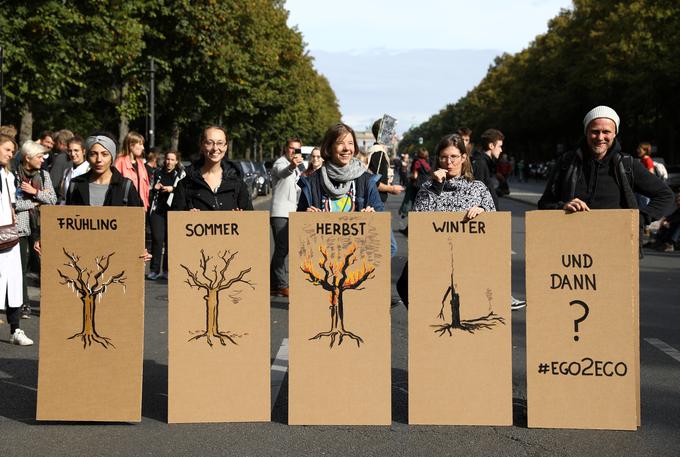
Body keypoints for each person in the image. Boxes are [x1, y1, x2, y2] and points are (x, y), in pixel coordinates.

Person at [538, 105, 674, 239]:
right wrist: (563, 206)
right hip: (573, 244)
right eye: (595, 131)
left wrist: (638, 220)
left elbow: (665, 195)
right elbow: (544, 203)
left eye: (606, 132)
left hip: (615, 246)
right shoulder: (566, 162)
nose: (600, 137)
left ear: (615, 134)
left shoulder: (627, 164)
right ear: (586, 132)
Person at [396, 133, 495, 306]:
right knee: (406, 285)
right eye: (444, 157)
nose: (449, 163)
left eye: (454, 157)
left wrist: (482, 211)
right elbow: (419, 222)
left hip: (468, 260)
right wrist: (436, 187)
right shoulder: (428, 187)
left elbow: (494, 227)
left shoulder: (478, 188)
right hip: (433, 259)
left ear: (464, 158)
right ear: (438, 159)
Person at [298, 122, 383, 213]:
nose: (346, 148)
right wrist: (305, 215)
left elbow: (381, 219)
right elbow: (298, 222)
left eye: (350, 143)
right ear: (329, 147)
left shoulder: (367, 181)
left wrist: (374, 215)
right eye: (340, 143)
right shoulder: (312, 182)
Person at [15, 140, 57, 318]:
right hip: (21, 227)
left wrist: (34, 192)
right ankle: (24, 303)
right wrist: (33, 202)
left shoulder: (44, 175)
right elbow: (12, 204)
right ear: (28, 158)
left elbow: (52, 199)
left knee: (44, 265)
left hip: (41, 225)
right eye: (39, 156)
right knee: (21, 267)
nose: (42, 160)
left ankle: (49, 302)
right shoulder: (13, 176)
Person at [0, 134, 33, 345]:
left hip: (8, 235)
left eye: (12, 151)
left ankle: (16, 329)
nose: (10, 154)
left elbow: (12, 204)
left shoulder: (8, 176)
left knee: (12, 279)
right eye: (6, 149)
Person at [173, 126, 252, 212]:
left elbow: (251, 218)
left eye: (220, 143)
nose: (215, 148)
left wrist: (241, 217)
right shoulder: (186, 183)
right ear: (201, 145)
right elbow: (174, 220)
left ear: (226, 147)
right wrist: (186, 216)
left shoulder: (237, 182)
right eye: (209, 143)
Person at [269, 137, 304, 298]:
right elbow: (283, 173)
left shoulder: (299, 167)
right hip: (280, 213)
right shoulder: (280, 163)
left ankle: (273, 284)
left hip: (293, 212)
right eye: (291, 148)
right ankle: (282, 285)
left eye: (297, 149)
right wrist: (292, 165)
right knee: (282, 249)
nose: (294, 152)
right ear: (285, 149)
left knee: (283, 249)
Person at [147, 150, 185, 280]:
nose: (169, 162)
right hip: (158, 210)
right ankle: (154, 269)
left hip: (173, 211)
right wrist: (155, 188)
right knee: (157, 239)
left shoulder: (180, 174)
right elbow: (149, 188)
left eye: (172, 160)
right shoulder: (157, 173)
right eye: (167, 159)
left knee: (170, 241)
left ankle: (167, 270)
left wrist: (172, 189)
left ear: (177, 161)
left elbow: (184, 191)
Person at [368, 118, 403, 204]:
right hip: (374, 202)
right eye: (392, 133)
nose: (395, 135)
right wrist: (392, 189)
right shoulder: (379, 153)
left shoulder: (375, 150)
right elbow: (373, 182)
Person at [114, 131, 151, 211]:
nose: (143, 148)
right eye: (140, 144)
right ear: (131, 145)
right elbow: (114, 186)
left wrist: (145, 204)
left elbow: (146, 186)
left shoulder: (141, 163)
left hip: (141, 207)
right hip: (126, 207)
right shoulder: (120, 162)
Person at [471, 128, 504, 210]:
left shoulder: (484, 163)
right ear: (491, 146)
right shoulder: (480, 164)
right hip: (486, 218)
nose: (501, 150)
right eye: (499, 146)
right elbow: (477, 193)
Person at [59, 135, 90, 204]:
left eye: (76, 150)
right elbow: (63, 197)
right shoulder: (67, 172)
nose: (73, 154)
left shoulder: (90, 170)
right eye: (70, 151)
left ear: (84, 151)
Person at [48, 129, 74, 194]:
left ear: (61, 143)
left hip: (61, 200)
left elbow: (53, 183)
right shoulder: (79, 157)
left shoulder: (61, 158)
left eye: (56, 142)